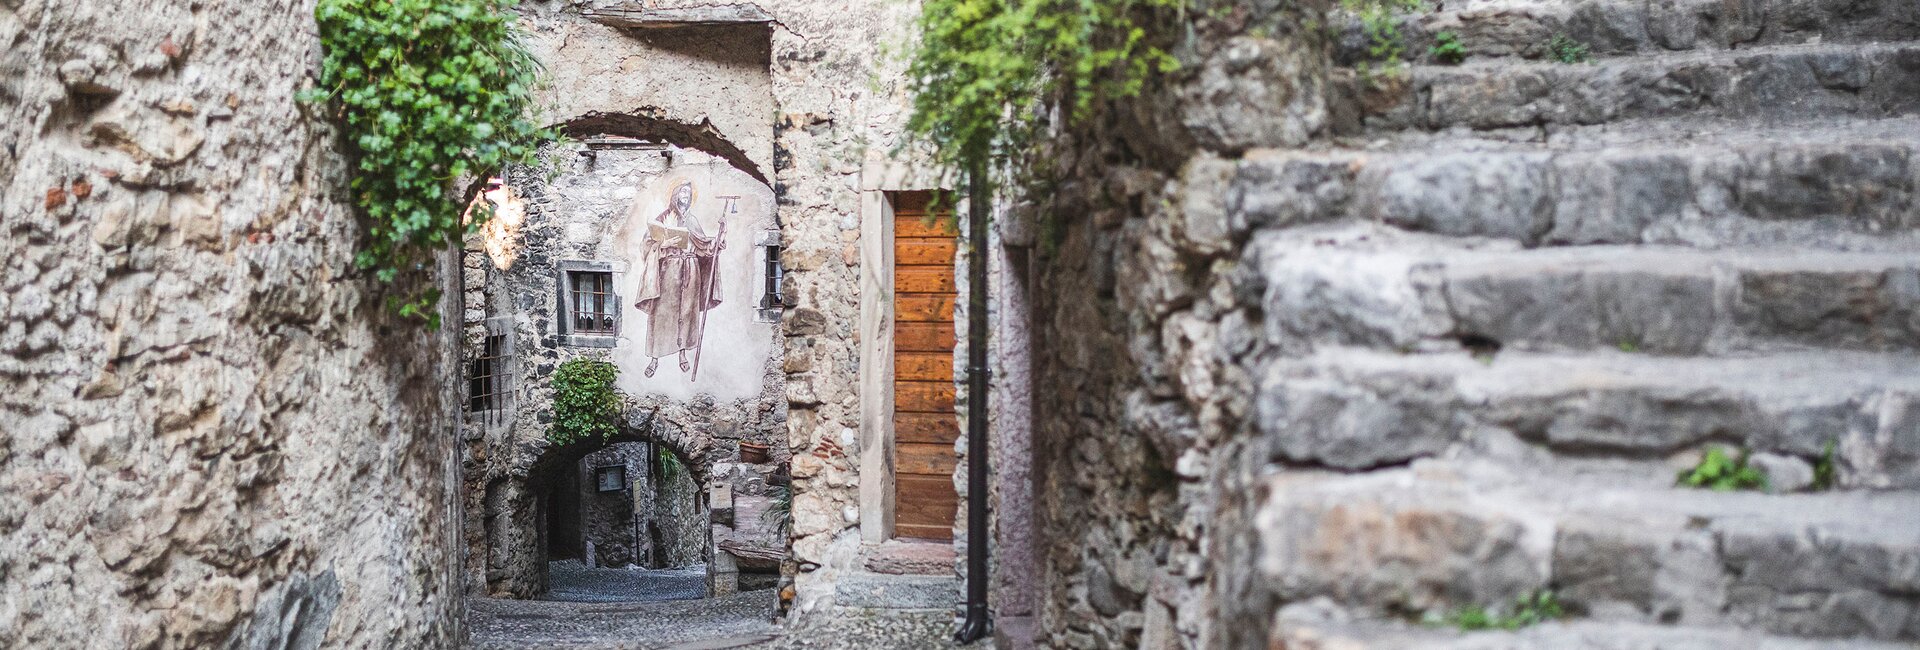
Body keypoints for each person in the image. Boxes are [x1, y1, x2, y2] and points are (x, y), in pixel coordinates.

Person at [632, 180, 724, 378]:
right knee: (661, 314)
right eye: (682, 191)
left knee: (687, 312)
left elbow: (703, 246)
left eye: (688, 192)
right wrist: (664, 243)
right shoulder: (664, 217)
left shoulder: (693, 221)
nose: (686, 195)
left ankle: (682, 354)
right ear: (674, 194)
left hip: (691, 270)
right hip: (669, 271)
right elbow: (647, 246)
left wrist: (717, 240)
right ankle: (654, 358)